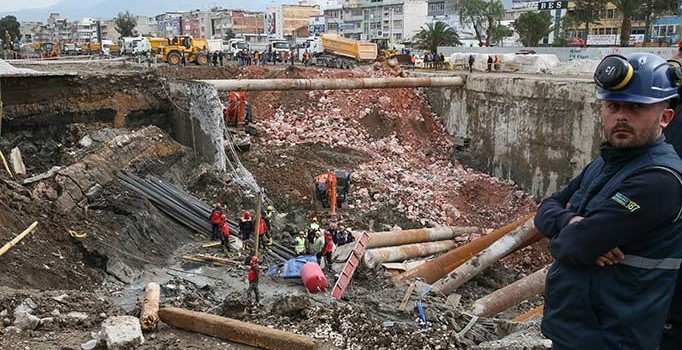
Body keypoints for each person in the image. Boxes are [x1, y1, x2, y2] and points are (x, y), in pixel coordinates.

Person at [535, 52, 682, 349]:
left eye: (636, 107)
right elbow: (544, 210)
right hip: (579, 328)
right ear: (602, 109)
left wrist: (571, 234)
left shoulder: (658, 181)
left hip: (614, 335)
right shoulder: (603, 164)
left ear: (665, 117)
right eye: (613, 106)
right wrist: (570, 221)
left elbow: (571, 247)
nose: (621, 116)